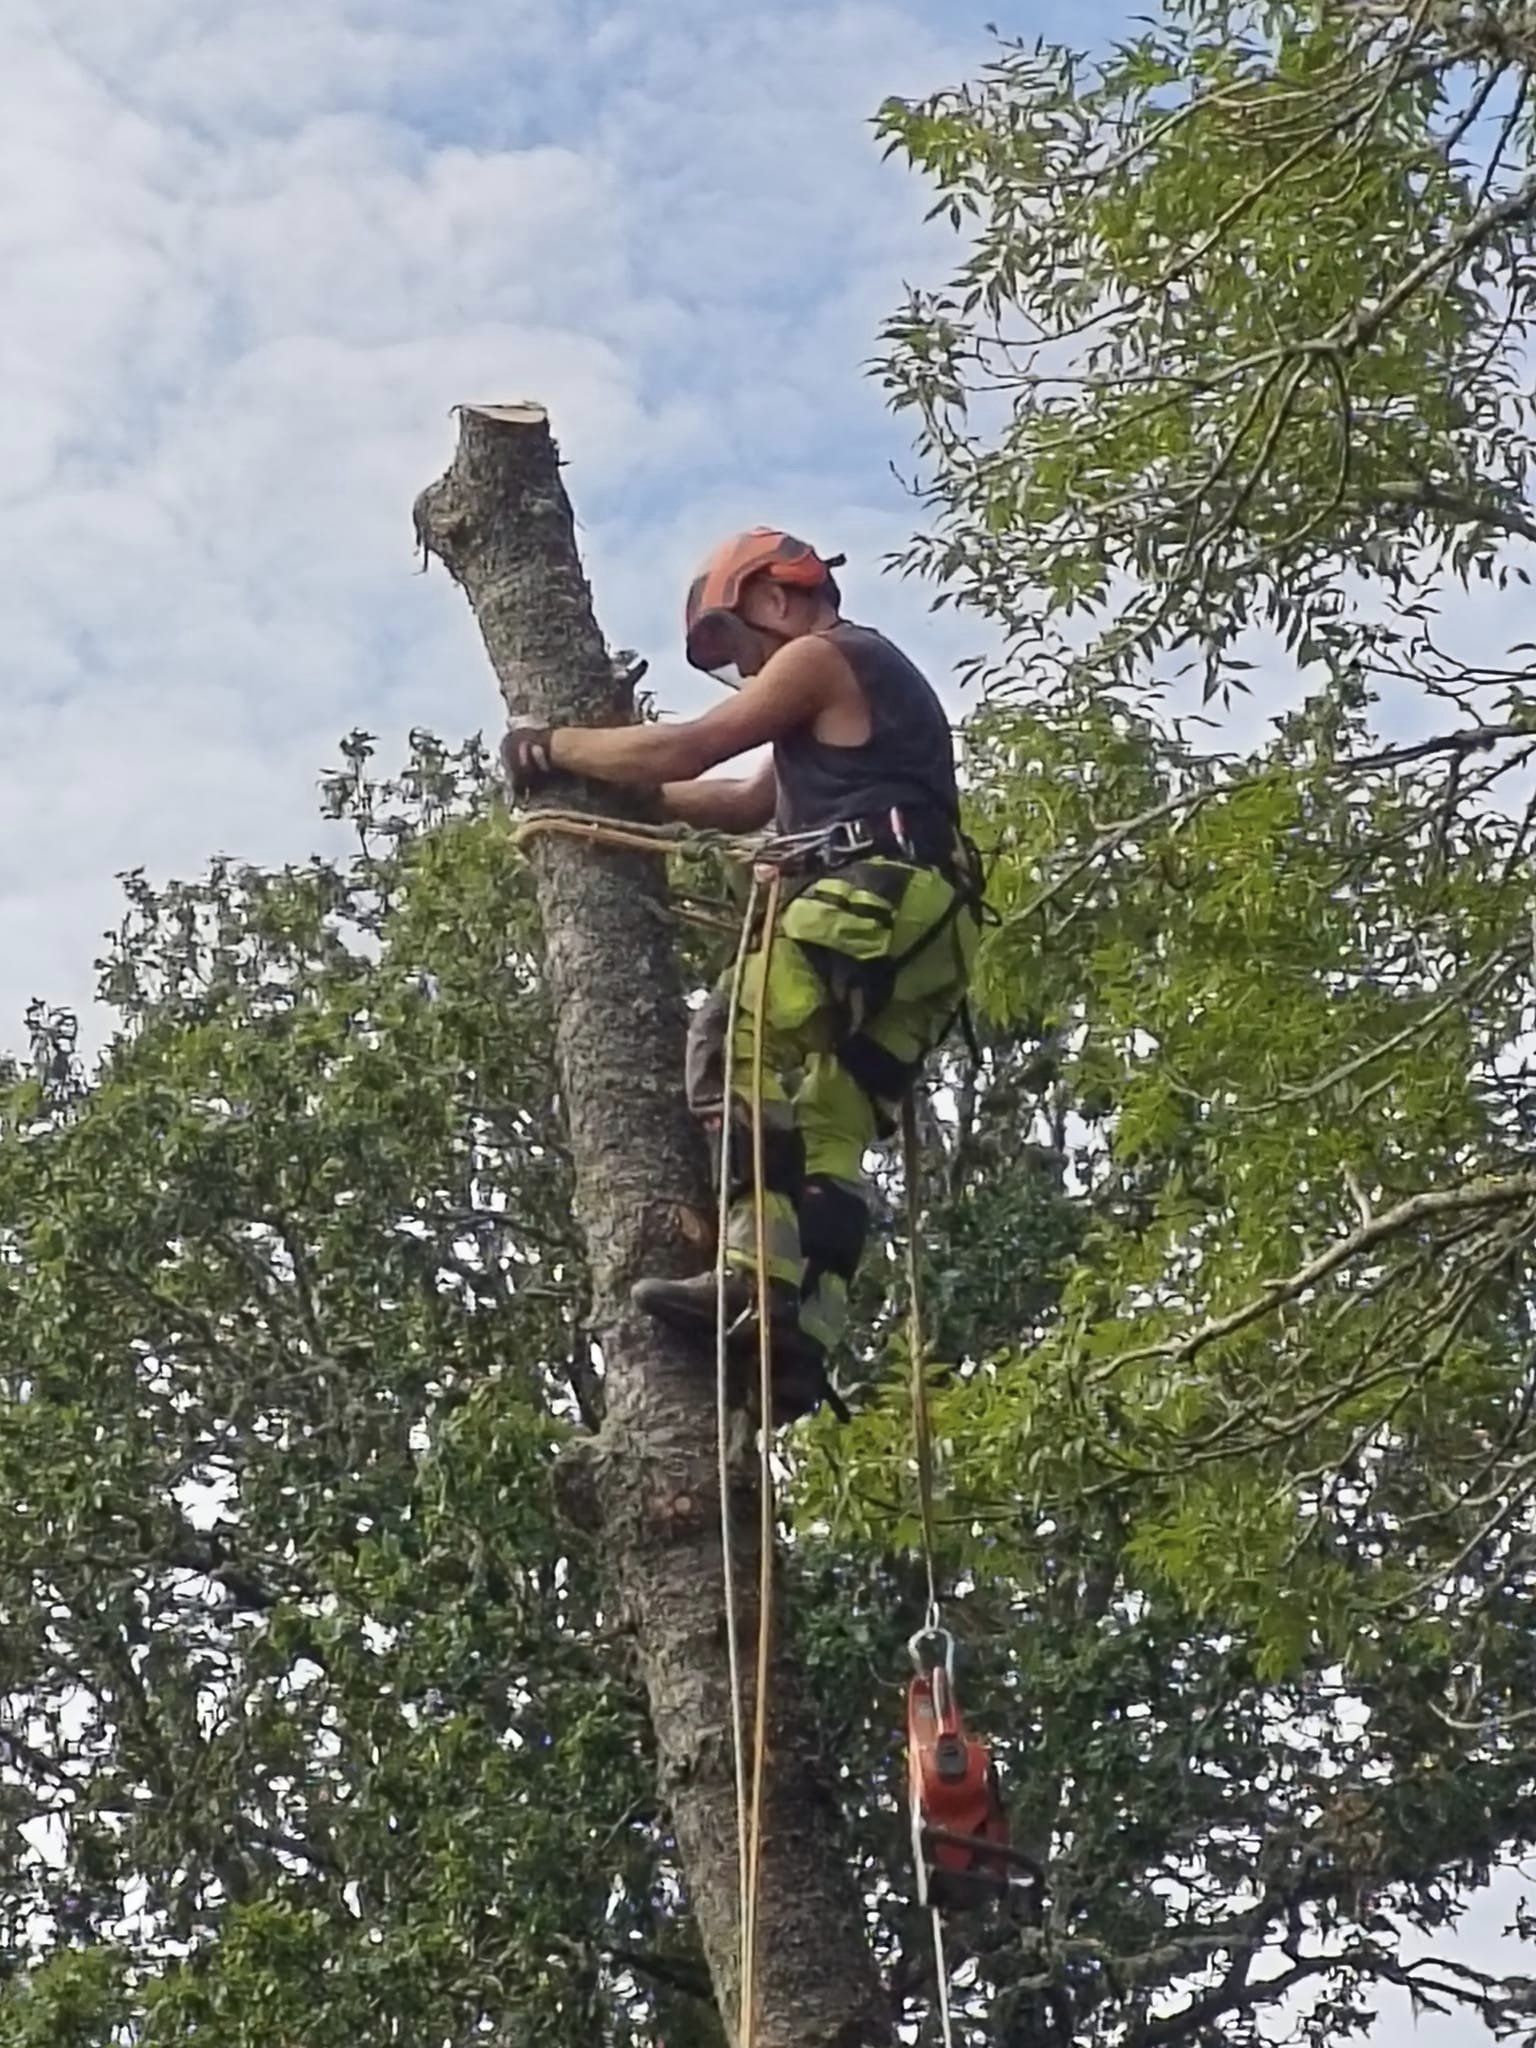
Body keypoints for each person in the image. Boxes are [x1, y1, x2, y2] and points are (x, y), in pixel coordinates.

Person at [502, 528, 980, 1421]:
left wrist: (554, 747)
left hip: (870, 894)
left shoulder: (820, 658)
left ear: (769, 598)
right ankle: (803, 1338)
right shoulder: (855, 691)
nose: (748, 665)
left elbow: (688, 751)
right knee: (833, 1124)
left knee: (734, 1039)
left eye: (741, 642)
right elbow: (733, 801)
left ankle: (750, 1277)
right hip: (935, 930)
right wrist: (617, 791)